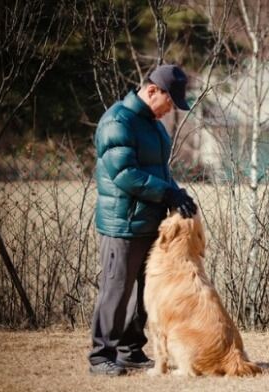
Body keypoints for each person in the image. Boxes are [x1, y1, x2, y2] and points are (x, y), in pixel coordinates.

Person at [88, 64, 198, 376]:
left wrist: (177, 194)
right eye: (169, 103)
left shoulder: (151, 124)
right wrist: (166, 194)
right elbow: (125, 175)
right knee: (117, 289)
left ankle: (130, 352)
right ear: (152, 91)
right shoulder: (117, 121)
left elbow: (158, 171)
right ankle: (100, 356)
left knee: (142, 291)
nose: (170, 111)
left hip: (149, 220)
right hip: (122, 224)